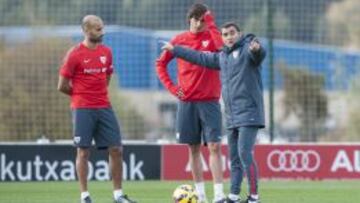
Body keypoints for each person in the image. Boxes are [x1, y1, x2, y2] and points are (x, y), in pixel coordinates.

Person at [161, 22, 266, 203]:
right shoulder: (221, 57)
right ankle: (233, 195)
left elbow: (258, 55)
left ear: (239, 34)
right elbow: (198, 57)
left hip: (249, 113)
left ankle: (254, 197)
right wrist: (175, 50)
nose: (229, 37)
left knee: (244, 153)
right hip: (232, 116)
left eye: (232, 33)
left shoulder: (247, 51)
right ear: (222, 38)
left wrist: (257, 49)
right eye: (225, 34)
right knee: (234, 158)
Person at [57, 15, 136, 203]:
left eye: (102, 28)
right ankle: (84, 196)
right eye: (97, 29)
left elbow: (107, 78)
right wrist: (81, 96)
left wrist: (97, 94)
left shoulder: (107, 52)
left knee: (116, 149)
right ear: (86, 30)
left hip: (104, 106)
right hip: (83, 108)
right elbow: (62, 85)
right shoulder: (74, 54)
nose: (102, 32)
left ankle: (118, 195)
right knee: (83, 152)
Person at [156, 3, 226, 203]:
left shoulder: (211, 38)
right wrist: (173, 88)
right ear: (189, 19)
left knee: (214, 146)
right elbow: (160, 64)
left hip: (210, 101)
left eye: (202, 20)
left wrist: (212, 24)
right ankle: (200, 195)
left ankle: (219, 195)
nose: (198, 23)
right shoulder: (178, 40)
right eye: (196, 19)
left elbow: (222, 48)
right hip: (187, 102)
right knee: (193, 148)